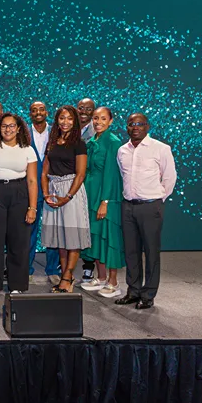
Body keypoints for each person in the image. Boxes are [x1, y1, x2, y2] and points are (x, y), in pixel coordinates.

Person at [114, 113, 177, 309]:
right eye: (131, 124)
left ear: (147, 126)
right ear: (127, 127)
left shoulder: (160, 149)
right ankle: (133, 291)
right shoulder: (122, 150)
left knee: (151, 251)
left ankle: (148, 294)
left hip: (150, 206)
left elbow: (169, 178)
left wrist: (156, 199)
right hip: (128, 206)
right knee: (131, 251)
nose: (135, 127)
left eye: (140, 124)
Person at [0, 113, 38, 297]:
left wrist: (32, 207)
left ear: (18, 128)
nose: (8, 129)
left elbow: (32, 180)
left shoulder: (27, 149)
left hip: (20, 193)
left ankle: (16, 284)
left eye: (11, 126)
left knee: (18, 241)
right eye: (4, 126)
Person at [41, 106, 91, 294]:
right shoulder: (52, 142)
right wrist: (46, 194)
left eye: (69, 119)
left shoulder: (79, 143)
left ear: (75, 121)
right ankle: (65, 276)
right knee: (60, 238)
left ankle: (67, 276)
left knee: (72, 238)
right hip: (54, 190)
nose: (65, 122)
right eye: (62, 118)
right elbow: (45, 171)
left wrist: (68, 196)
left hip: (72, 192)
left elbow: (80, 174)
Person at [79, 107, 126, 298]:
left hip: (105, 196)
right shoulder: (93, 140)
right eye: (96, 118)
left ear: (111, 121)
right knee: (96, 237)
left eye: (103, 118)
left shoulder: (113, 142)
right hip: (90, 194)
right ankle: (101, 277)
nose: (98, 121)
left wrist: (105, 201)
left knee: (109, 238)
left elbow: (111, 175)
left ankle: (113, 282)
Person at [28, 101, 61, 284]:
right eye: (34, 110)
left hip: (53, 187)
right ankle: (27, 269)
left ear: (47, 112)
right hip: (31, 189)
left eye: (41, 109)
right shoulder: (23, 132)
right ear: (30, 113)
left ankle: (52, 269)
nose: (38, 113)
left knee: (53, 230)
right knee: (29, 230)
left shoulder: (56, 132)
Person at [77, 97, 98, 283]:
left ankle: (88, 266)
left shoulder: (96, 131)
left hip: (90, 184)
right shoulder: (69, 127)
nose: (84, 111)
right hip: (71, 183)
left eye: (88, 108)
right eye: (81, 107)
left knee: (90, 226)